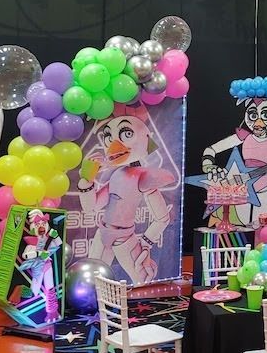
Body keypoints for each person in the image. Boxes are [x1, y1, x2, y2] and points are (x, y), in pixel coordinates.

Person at [77, 104, 174, 285]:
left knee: (141, 281)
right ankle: (96, 306)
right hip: (103, 234)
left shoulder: (143, 177)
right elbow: (92, 207)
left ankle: (140, 309)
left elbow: (162, 218)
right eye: (108, 137)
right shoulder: (116, 175)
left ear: (145, 139)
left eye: (127, 134)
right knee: (91, 280)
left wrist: (145, 241)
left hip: (125, 240)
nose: (113, 145)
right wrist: (87, 182)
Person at [202, 96, 267, 225]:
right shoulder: (244, 137)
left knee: (259, 225)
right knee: (242, 223)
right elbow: (211, 150)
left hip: (263, 189)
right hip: (242, 188)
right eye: (253, 115)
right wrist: (209, 166)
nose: (258, 123)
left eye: (266, 115)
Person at [18, 209, 61, 321]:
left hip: (47, 266)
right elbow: (26, 255)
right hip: (37, 268)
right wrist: (38, 253)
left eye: (43, 224)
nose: (41, 227)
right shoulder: (32, 242)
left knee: (50, 289)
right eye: (38, 224)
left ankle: (52, 312)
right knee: (34, 290)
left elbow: (59, 244)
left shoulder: (48, 239)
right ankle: (26, 306)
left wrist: (55, 236)